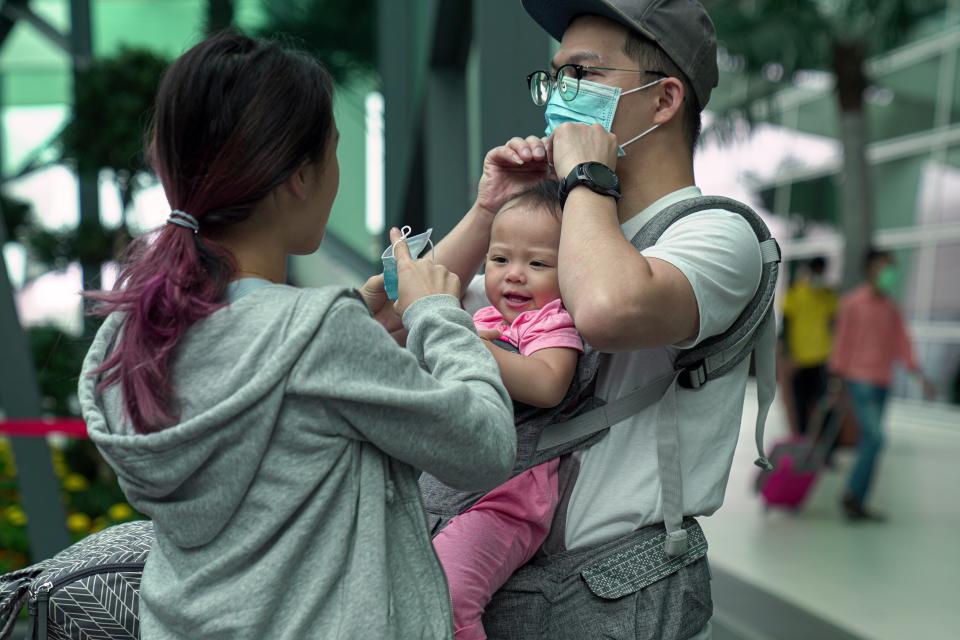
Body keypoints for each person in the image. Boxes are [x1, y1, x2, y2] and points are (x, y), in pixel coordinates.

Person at [77, 33, 516, 640]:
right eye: (333, 151)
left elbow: (282, 394)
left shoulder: (141, 329)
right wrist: (440, 312)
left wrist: (357, 318)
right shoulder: (318, 336)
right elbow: (485, 447)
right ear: (298, 178)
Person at [429, 1, 765, 637]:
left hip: (619, 593)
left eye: (582, 76)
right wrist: (487, 211)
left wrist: (585, 175)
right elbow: (407, 322)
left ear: (664, 101)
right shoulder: (565, 226)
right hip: (516, 578)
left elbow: (608, 307)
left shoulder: (718, 234)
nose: (558, 97)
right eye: (554, 77)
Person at [431, 180, 583, 640]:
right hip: (460, 487)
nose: (515, 274)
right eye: (500, 260)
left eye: (538, 263)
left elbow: (548, 383)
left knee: (449, 595)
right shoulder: (484, 320)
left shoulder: (552, 320)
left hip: (511, 500)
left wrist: (468, 348)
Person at [830, 248, 934, 522]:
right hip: (859, 380)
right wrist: (837, 376)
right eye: (885, 267)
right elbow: (843, 340)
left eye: (892, 268)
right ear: (870, 269)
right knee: (876, 437)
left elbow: (903, 343)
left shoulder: (891, 308)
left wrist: (920, 376)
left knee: (870, 441)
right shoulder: (853, 303)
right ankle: (852, 493)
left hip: (883, 381)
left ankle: (858, 501)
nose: (890, 273)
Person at [781, 257, 839, 434]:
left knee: (824, 404)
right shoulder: (795, 292)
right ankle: (801, 444)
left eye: (821, 272)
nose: (818, 275)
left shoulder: (827, 295)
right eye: (816, 271)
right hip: (799, 359)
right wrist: (788, 354)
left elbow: (834, 322)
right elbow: (786, 325)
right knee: (800, 404)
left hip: (821, 358)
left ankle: (824, 449)